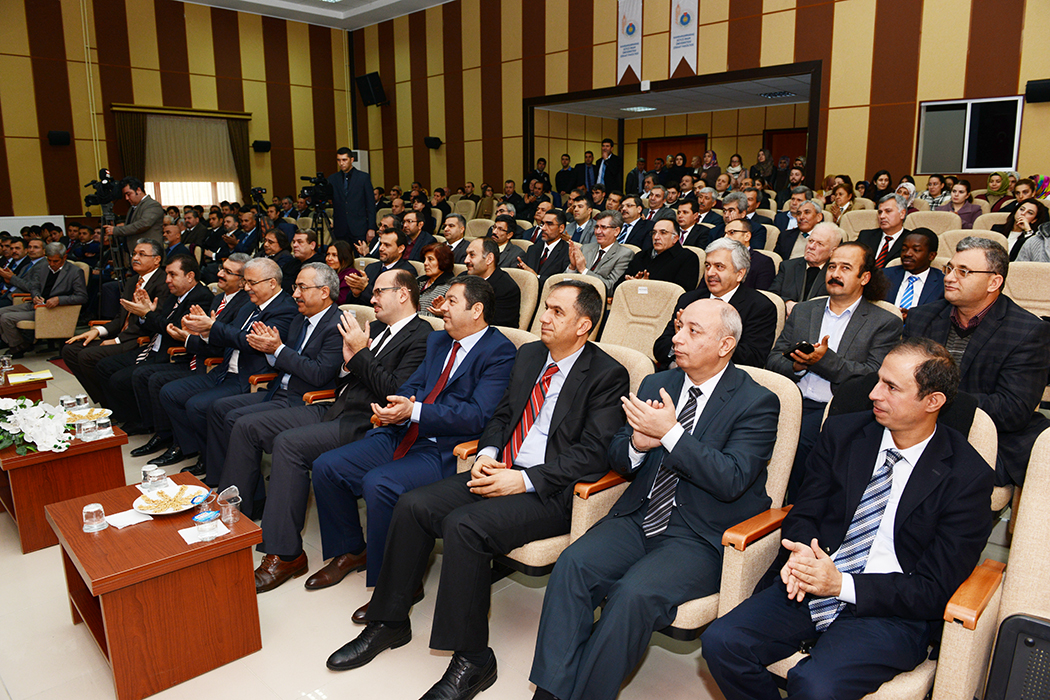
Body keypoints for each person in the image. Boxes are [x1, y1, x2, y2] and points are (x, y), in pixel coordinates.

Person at [328, 280, 629, 700]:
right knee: (412, 505)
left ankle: (473, 660)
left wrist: (523, 480)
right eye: (545, 307)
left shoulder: (607, 374)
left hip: (549, 491)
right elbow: (502, 415)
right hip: (501, 469)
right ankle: (390, 621)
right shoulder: (530, 355)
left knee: (464, 527)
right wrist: (487, 453)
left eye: (557, 312)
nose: (544, 317)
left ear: (584, 325)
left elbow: (594, 454)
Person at [703, 338, 995, 700]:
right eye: (878, 380)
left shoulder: (967, 477)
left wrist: (840, 585)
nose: (874, 393)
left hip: (892, 609)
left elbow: (934, 587)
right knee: (722, 642)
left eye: (891, 387)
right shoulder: (843, 434)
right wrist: (803, 552)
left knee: (815, 686)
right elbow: (804, 510)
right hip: (814, 578)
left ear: (932, 401)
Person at [529, 298, 778, 700]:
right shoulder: (656, 383)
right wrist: (638, 446)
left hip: (700, 534)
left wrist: (671, 433)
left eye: (693, 331)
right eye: (679, 327)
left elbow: (731, 479)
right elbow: (618, 452)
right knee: (573, 565)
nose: (677, 338)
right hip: (639, 515)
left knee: (633, 596)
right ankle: (550, 692)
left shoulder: (758, 401)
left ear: (725, 345)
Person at [304, 276, 516, 594]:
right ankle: (352, 550)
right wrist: (398, 405)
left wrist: (414, 411)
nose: (441, 308)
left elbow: (477, 415)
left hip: (443, 448)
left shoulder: (500, 351)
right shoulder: (438, 340)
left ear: (476, 311)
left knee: (379, 484)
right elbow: (412, 385)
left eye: (452, 302)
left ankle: (396, 586)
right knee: (327, 467)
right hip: (402, 431)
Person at [249, 269, 433, 591]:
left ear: (403, 294)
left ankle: (285, 553)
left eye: (379, 292)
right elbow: (345, 377)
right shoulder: (376, 328)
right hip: (337, 408)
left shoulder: (422, 335)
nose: (371, 299)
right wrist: (349, 363)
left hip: (368, 421)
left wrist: (360, 354)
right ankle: (349, 549)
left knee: (289, 445)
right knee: (266, 431)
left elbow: (394, 391)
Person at [904, 237, 1050, 485]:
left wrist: (934, 401)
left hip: (983, 436)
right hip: (913, 427)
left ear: (994, 282)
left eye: (963, 272)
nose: (949, 278)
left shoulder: (1028, 331)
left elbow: (1013, 409)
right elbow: (901, 379)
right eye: (949, 268)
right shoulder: (922, 317)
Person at [204, 262, 344, 510]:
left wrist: (278, 349)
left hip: (309, 401)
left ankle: (234, 508)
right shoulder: (301, 319)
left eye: (302, 288)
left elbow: (319, 374)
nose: (295, 294)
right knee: (224, 410)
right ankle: (247, 495)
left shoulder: (338, 325)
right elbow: (285, 361)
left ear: (324, 292)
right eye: (295, 287)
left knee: (244, 424)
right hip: (281, 391)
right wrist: (270, 350)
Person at [768, 242, 902, 499]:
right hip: (791, 401)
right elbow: (773, 359)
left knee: (801, 444)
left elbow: (873, 376)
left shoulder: (884, 322)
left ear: (864, 277)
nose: (835, 274)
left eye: (845, 268)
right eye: (831, 267)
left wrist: (823, 360)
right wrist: (797, 365)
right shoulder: (804, 311)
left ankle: (793, 508)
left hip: (838, 410)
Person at [157, 258, 298, 474]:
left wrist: (214, 327)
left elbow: (251, 342)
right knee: (170, 392)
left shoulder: (285, 309)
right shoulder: (248, 305)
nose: (246, 288)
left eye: (252, 282)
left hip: (249, 378)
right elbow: (227, 336)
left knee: (197, 406)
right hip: (223, 371)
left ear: (272, 283)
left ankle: (213, 462)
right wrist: (205, 331)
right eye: (245, 282)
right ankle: (196, 450)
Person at [131, 255, 252, 458]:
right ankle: (172, 439)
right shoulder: (218, 299)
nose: (219, 274)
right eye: (221, 268)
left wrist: (192, 337)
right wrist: (193, 334)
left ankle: (181, 444)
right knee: (151, 379)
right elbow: (207, 337)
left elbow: (222, 345)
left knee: (162, 384)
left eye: (227, 272)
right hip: (199, 358)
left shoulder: (243, 304)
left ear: (242, 281)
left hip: (213, 365)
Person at [94, 254, 211, 426]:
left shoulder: (201, 297)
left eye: (172, 275)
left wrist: (148, 314)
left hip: (172, 354)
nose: (167, 280)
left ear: (190, 276)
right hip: (151, 347)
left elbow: (173, 329)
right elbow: (158, 324)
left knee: (120, 379)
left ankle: (141, 422)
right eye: (167, 274)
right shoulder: (174, 295)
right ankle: (123, 415)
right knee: (104, 366)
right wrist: (146, 315)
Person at [62, 239, 169, 403]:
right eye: (134, 254)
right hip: (122, 335)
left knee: (87, 356)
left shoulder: (163, 282)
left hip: (138, 340)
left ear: (157, 259)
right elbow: (121, 318)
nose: (135, 258)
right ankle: (106, 399)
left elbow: (154, 322)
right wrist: (97, 331)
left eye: (142, 254)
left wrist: (118, 340)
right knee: (69, 350)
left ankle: (112, 402)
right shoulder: (133, 281)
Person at [653, 238, 777, 369]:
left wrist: (698, 341)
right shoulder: (688, 299)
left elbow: (752, 358)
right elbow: (660, 348)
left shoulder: (760, 307)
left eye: (719, 266)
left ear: (739, 274)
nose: (710, 273)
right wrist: (679, 340)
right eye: (707, 266)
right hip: (677, 373)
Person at [0, 243, 88, 357]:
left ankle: (17, 347)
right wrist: (35, 296)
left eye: (55, 261)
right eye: (49, 260)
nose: (51, 264)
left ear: (64, 257)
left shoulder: (74, 271)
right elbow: (34, 286)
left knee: (6, 318)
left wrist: (59, 299)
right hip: (36, 304)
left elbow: (82, 297)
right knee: (1, 312)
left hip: (53, 309)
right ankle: (21, 344)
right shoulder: (43, 267)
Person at [619, 218, 699, 292]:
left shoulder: (688, 258)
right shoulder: (641, 256)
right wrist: (631, 283)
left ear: (675, 238)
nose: (656, 237)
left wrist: (645, 286)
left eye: (663, 233)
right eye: (654, 233)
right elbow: (618, 285)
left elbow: (682, 292)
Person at [565, 209, 634, 295]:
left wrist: (583, 270)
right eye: (597, 227)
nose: (598, 232)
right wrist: (572, 267)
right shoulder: (585, 248)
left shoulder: (624, 254)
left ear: (616, 231)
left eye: (604, 227)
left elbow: (610, 287)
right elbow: (565, 281)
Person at [345, 229, 415, 305]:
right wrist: (356, 294)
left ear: (400, 249)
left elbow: (393, 304)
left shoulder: (406, 273)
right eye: (381, 244)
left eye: (387, 245)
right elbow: (348, 303)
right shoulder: (371, 267)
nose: (381, 248)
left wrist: (365, 287)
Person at [883, 229, 944, 315]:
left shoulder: (942, 284)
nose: (907, 254)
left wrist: (913, 317)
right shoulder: (884, 276)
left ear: (931, 255)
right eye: (904, 249)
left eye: (916, 250)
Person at [465, 238, 521, 329]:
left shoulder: (507, 288)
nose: (466, 260)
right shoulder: (463, 278)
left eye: (472, 255)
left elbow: (498, 326)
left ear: (489, 259)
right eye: (466, 255)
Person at [104, 178, 163, 257]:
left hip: (149, 254)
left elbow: (143, 224)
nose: (126, 198)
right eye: (125, 195)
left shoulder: (152, 205)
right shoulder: (133, 207)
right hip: (135, 252)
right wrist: (123, 226)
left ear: (138, 190)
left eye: (128, 194)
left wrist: (116, 230)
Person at [328, 147, 376, 245]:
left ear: (352, 160)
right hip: (340, 227)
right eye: (339, 160)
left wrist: (371, 227)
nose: (341, 163)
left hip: (359, 227)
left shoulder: (363, 177)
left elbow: (370, 204)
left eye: (344, 160)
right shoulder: (333, 178)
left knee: (360, 253)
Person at [518, 209, 572, 289]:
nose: (543, 228)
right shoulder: (533, 249)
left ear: (561, 228)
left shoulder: (568, 252)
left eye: (549, 224)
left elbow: (561, 283)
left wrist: (535, 276)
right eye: (542, 224)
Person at [723, 217, 775, 291]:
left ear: (747, 236)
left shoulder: (763, 262)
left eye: (732, 232)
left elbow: (761, 294)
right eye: (725, 233)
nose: (726, 237)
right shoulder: (718, 257)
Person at [857, 194, 908, 268]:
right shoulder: (865, 236)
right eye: (880, 212)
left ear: (902, 214)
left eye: (888, 211)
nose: (882, 216)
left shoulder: (911, 240)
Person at [417, 242, 455, 318]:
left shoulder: (450, 287)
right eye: (425, 259)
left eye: (430, 259)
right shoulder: (418, 280)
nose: (425, 263)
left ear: (443, 261)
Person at [326, 240, 361, 305]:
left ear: (344, 258)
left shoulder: (351, 275)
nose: (329, 258)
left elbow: (341, 300)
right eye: (328, 254)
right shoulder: (327, 273)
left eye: (334, 255)